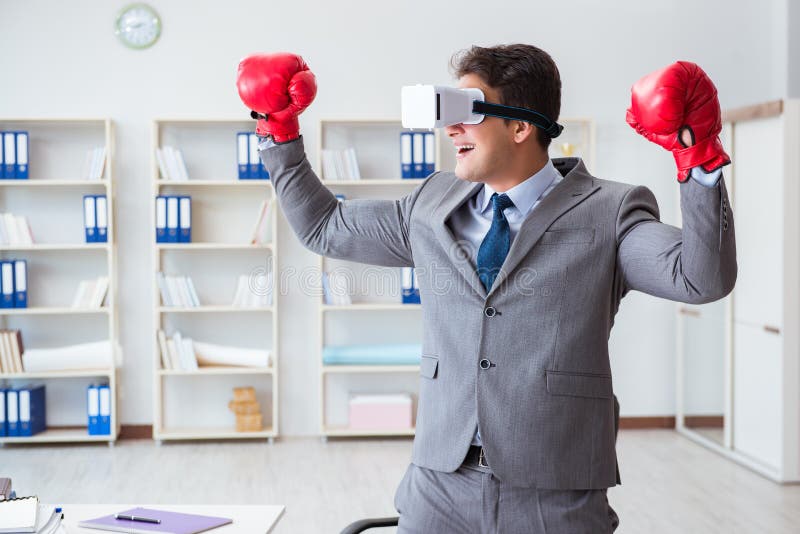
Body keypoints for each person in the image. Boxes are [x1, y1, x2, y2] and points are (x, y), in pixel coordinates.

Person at [237, 44, 736, 533]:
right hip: (438, 483)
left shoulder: (609, 210)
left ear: (520, 126)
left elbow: (699, 278)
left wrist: (698, 156)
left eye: (467, 111)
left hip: (554, 490)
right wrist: (276, 131)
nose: (450, 127)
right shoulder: (431, 203)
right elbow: (324, 226)